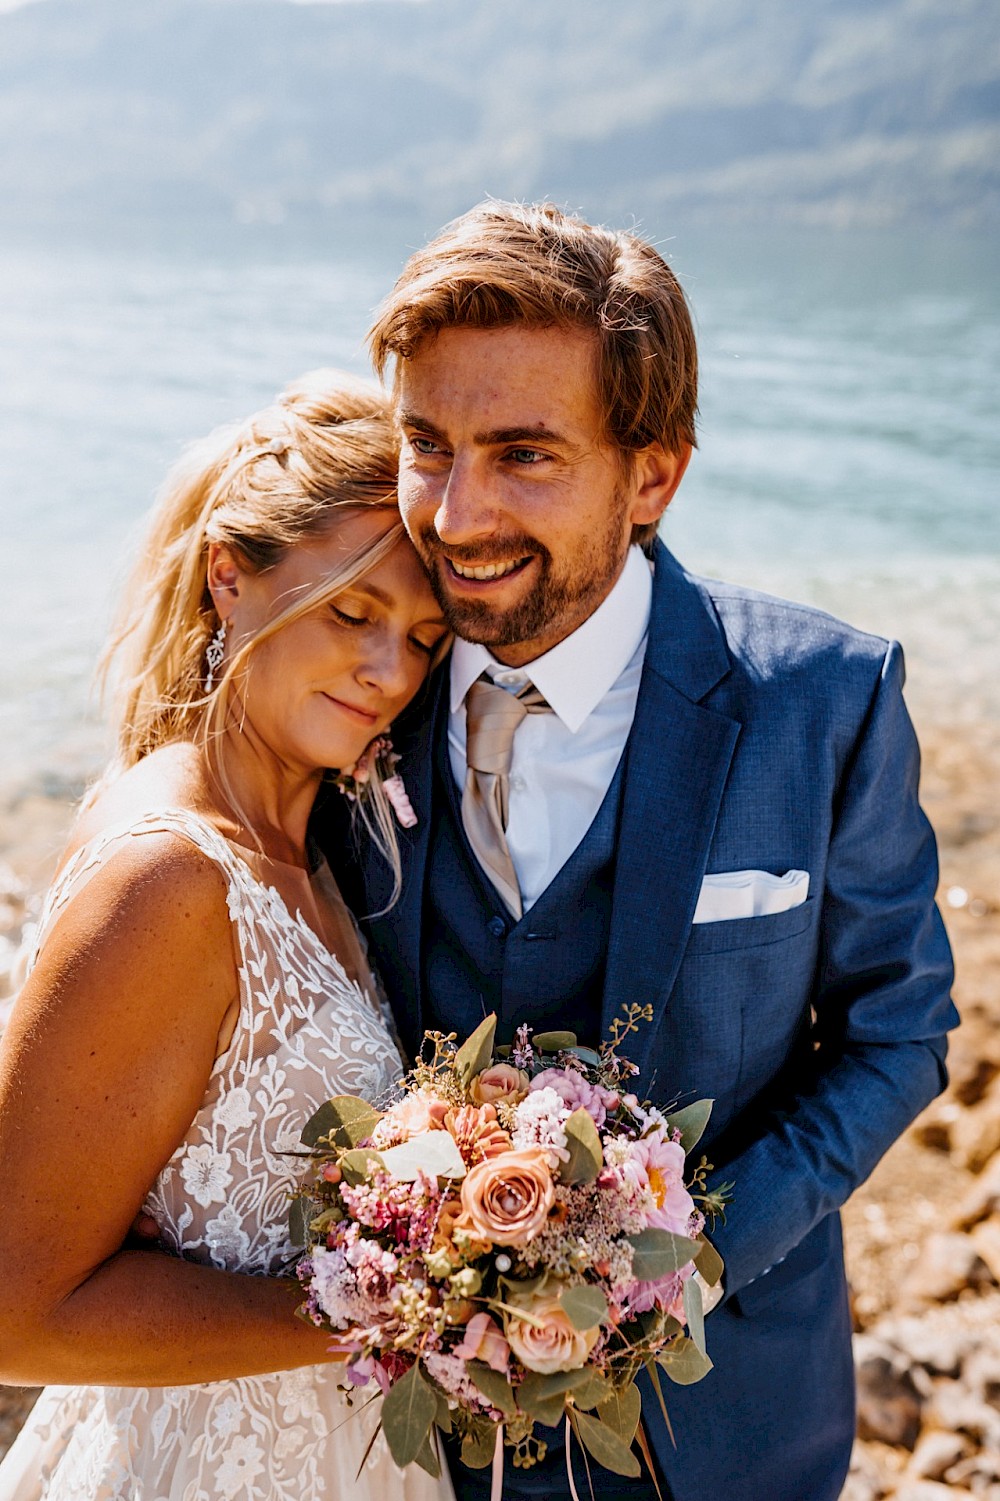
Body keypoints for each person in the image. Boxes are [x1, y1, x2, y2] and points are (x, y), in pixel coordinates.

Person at [322, 202, 959, 1501]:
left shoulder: (825, 702)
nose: (454, 515)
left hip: (733, 1434)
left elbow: (901, 1033)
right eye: (427, 446)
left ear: (654, 474)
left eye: (524, 455)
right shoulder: (346, 699)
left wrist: (687, 1253)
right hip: (412, 1453)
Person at [0, 372, 454, 1500]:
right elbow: (12, 1310)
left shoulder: (308, 848)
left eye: (424, 638)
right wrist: (394, 1305)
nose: (390, 671)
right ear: (228, 575)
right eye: (354, 612)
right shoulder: (174, 874)